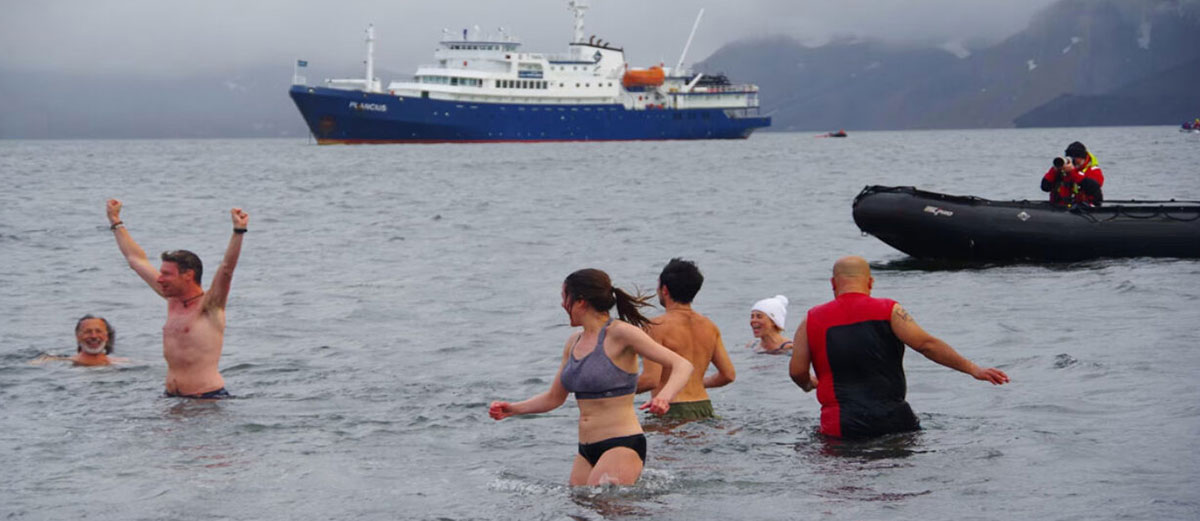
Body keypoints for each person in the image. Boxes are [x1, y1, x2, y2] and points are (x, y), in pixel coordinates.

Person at [489, 268, 693, 486]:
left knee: (604, 505)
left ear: (581, 301)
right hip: (585, 451)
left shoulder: (620, 333)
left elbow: (682, 365)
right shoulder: (573, 343)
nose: (562, 305)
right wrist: (513, 409)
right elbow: (554, 398)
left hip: (621, 444)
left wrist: (664, 397)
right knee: (579, 511)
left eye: (564, 297)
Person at [789, 256, 1010, 439]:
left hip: (842, 424)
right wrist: (974, 369)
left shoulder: (811, 320)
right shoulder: (889, 310)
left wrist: (809, 384)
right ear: (870, 282)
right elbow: (927, 345)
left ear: (833, 283)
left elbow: (797, 371)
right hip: (894, 419)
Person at [106, 199, 248, 399]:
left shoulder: (210, 305)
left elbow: (226, 269)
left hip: (207, 400)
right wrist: (115, 221)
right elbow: (135, 259)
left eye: (166, 274)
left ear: (188, 275)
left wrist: (238, 232)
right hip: (171, 399)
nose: (160, 278)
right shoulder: (171, 298)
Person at [636, 258, 735, 420]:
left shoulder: (656, 326)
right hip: (704, 406)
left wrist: (609, 390)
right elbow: (728, 375)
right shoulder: (709, 326)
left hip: (670, 408)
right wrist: (696, 383)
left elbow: (650, 380)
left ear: (665, 290)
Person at [31, 315, 127, 366]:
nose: (94, 336)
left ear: (107, 336)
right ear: (77, 336)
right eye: (88, 332)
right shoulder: (56, 361)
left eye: (98, 331)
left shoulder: (122, 363)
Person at [1062, 141, 1104, 207]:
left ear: (1082, 158)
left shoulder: (1094, 170)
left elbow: (1093, 187)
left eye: (1076, 158)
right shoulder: (1064, 170)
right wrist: (1055, 169)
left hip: (1087, 206)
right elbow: (1045, 186)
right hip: (1065, 205)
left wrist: (1072, 172)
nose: (1073, 161)